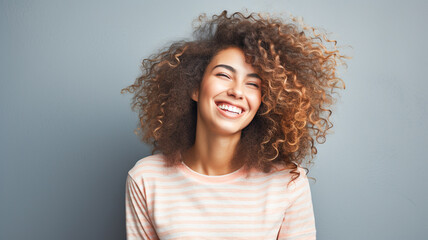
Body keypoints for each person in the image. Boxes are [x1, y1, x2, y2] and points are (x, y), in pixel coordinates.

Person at [121, 10, 346, 240]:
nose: (237, 91)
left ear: (263, 102)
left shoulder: (287, 182)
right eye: (224, 75)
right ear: (194, 87)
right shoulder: (147, 179)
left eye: (253, 84)